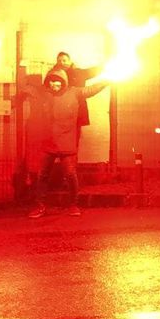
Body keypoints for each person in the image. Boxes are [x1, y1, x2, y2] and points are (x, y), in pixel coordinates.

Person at [19, 68, 108, 218]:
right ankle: (40, 206)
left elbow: (91, 90)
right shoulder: (44, 95)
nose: (54, 83)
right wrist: (22, 89)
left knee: (70, 174)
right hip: (48, 142)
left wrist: (107, 80)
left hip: (66, 143)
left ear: (64, 81)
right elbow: (28, 90)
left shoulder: (74, 92)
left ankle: (73, 205)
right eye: (51, 81)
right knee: (42, 176)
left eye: (58, 81)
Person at [52, 52, 100, 145]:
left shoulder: (79, 73)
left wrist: (107, 65)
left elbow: (95, 70)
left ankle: (73, 157)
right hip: (60, 110)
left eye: (64, 60)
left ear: (70, 62)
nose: (62, 63)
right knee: (59, 137)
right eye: (59, 61)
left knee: (75, 136)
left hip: (77, 109)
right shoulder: (53, 75)